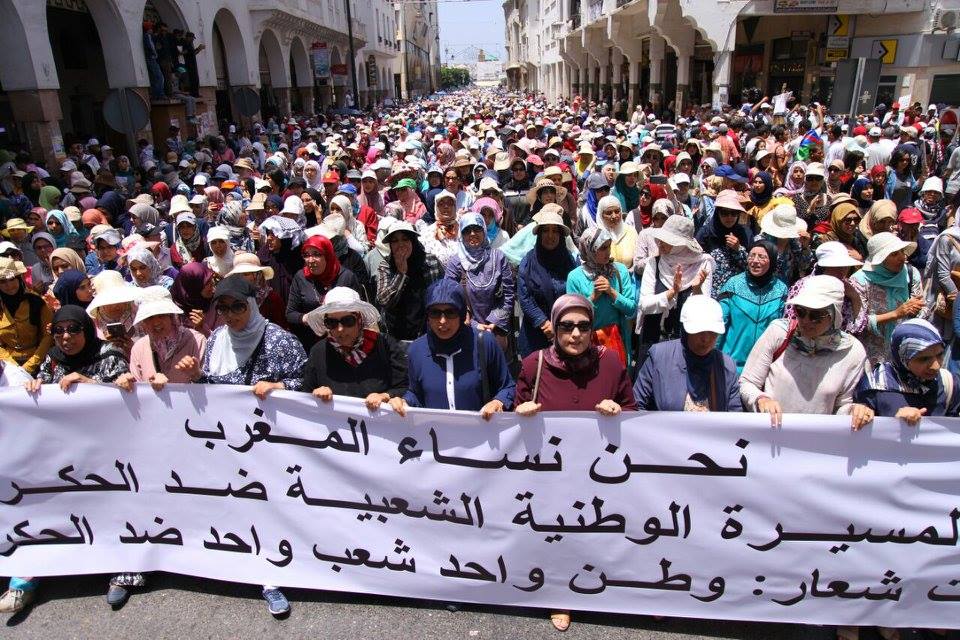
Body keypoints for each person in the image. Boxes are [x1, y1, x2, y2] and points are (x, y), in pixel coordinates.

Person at [172, 275, 306, 617]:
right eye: (224, 308)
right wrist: (196, 376)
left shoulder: (280, 341)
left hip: (268, 446)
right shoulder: (217, 340)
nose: (231, 315)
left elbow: (306, 384)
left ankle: (272, 578)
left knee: (269, 508)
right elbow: (214, 388)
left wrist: (280, 387)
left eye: (238, 307)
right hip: (226, 444)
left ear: (254, 305)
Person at [513, 293, 636, 633]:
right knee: (556, 533)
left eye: (583, 326)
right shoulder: (534, 365)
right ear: (554, 329)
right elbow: (513, 420)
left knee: (595, 531)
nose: (576, 334)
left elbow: (632, 410)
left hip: (598, 474)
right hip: (550, 475)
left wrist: (619, 411)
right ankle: (560, 594)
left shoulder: (610, 362)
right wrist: (520, 412)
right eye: (567, 326)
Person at [14, 305, 131, 609]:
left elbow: (130, 397)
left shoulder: (110, 355)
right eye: (59, 331)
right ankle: (30, 574)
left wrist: (91, 385)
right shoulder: (53, 359)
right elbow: (42, 393)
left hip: (108, 452)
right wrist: (34, 388)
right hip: (63, 453)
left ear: (87, 330)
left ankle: (123, 571)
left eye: (73, 329)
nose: (65, 337)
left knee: (116, 508)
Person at [739, 275, 872, 429]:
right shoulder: (779, 333)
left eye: (816, 315)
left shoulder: (852, 352)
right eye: (800, 311)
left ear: (834, 315)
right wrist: (761, 399)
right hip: (770, 435)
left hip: (814, 440)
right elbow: (747, 383)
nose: (806, 321)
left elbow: (841, 406)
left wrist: (854, 411)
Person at [399, 279, 514, 417]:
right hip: (434, 430)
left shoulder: (484, 343)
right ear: (427, 316)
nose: (442, 321)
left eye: (450, 312)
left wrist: (498, 402)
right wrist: (404, 401)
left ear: (461, 314)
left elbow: (507, 387)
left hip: (480, 429)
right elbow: (415, 394)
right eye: (435, 313)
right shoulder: (416, 350)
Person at [301, 286, 408, 411]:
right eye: (332, 322)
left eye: (348, 321)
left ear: (359, 320)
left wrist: (385, 396)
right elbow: (305, 394)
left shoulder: (385, 345)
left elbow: (404, 387)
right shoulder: (318, 352)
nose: (340, 329)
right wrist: (316, 393)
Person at [634, 295, 742, 411]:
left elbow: (734, 415)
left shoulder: (727, 367)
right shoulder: (659, 357)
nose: (705, 339)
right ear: (685, 330)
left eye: (712, 332)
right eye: (699, 331)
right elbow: (636, 406)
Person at [637, 216, 712, 363]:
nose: (660, 243)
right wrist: (672, 292)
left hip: (686, 348)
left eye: (667, 240)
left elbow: (703, 312)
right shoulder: (654, 263)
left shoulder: (702, 265)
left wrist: (697, 290)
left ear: (681, 245)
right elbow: (644, 305)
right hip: (653, 341)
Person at [856, 319, 960, 423]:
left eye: (940, 355)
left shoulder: (950, 384)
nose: (936, 366)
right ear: (902, 359)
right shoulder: (873, 387)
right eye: (923, 359)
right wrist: (897, 424)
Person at [444, 212, 515, 353]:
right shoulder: (455, 262)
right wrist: (473, 324)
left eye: (477, 229)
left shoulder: (498, 257)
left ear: (484, 230)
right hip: (466, 330)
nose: (472, 234)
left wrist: (494, 322)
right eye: (467, 230)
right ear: (461, 234)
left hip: (496, 330)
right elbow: (449, 297)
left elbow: (508, 293)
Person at [567, 226, 637, 369]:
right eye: (602, 248)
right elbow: (572, 315)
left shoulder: (619, 271)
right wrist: (592, 297)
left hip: (617, 340)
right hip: (587, 343)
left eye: (609, 246)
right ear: (590, 249)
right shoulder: (575, 277)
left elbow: (631, 309)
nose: (608, 251)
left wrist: (611, 292)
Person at [851, 232, 925, 366]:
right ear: (880, 259)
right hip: (871, 356)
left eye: (902, 252)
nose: (902, 258)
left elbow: (923, 309)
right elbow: (857, 323)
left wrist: (916, 310)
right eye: (894, 254)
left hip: (903, 352)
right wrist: (896, 314)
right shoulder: (860, 281)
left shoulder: (911, 274)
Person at [115, 285, 207, 391]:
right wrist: (128, 383)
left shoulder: (197, 341)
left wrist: (196, 375)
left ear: (171, 316)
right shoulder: (139, 348)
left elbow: (210, 389)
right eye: (149, 317)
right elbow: (139, 390)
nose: (156, 322)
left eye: (161, 315)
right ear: (143, 322)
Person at [717, 241, 788, 373]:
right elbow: (719, 322)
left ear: (772, 261)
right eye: (752, 255)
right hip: (730, 367)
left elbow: (783, 331)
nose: (755, 261)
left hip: (763, 370)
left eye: (762, 257)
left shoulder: (781, 290)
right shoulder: (733, 285)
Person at [517, 206, 579, 357]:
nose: (550, 236)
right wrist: (544, 323)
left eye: (555, 231)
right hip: (536, 334)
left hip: (567, 331)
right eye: (545, 230)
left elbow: (577, 294)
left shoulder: (570, 261)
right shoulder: (528, 262)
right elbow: (525, 298)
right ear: (539, 234)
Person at [286, 234, 362, 350]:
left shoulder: (346, 277)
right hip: (313, 343)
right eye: (306, 255)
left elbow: (360, 311)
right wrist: (306, 318)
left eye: (317, 254)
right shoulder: (301, 278)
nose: (310, 260)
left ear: (328, 255)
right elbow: (290, 314)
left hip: (345, 341)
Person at [375, 221, 444, 342]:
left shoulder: (430, 261)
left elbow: (442, 294)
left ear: (413, 241)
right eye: (395, 241)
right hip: (397, 337)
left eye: (405, 239)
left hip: (428, 333)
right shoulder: (385, 266)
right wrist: (401, 273)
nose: (400, 244)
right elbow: (384, 301)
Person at [0, 257, 52, 375]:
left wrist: (30, 365)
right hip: (7, 366)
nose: (9, 285)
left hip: (38, 361)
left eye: (12, 279)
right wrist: (13, 367)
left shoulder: (36, 302)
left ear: (19, 278)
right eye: (2, 282)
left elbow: (48, 335)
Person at [695, 190, 749, 291]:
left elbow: (751, 265)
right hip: (711, 289)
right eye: (724, 213)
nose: (729, 217)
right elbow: (695, 260)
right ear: (717, 213)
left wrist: (739, 249)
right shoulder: (705, 233)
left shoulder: (745, 233)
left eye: (733, 213)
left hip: (737, 290)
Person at [227, 252, 286, 328]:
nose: (241, 278)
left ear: (257, 275)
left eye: (246, 274)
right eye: (237, 274)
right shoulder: (230, 299)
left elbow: (281, 327)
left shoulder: (272, 299)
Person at [595, 194, 637, 269]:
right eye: (609, 213)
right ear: (601, 215)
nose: (614, 216)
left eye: (617, 211)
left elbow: (637, 260)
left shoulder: (631, 232)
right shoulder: (595, 235)